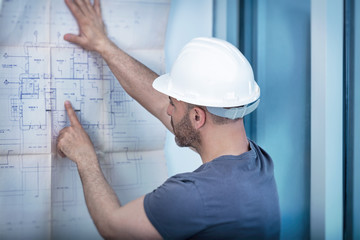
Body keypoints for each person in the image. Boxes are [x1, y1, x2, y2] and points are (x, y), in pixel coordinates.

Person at [56, 0, 281, 239]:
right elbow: (163, 104)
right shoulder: (257, 164)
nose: (169, 110)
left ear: (197, 117)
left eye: (173, 104)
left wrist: (85, 158)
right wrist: (103, 46)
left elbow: (114, 227)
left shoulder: (195, 195)